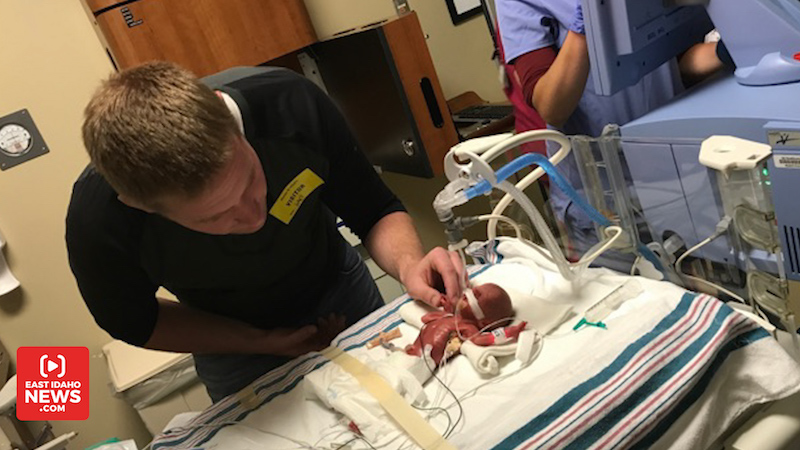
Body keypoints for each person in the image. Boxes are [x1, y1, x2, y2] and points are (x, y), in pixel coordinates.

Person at [66, 62, 466, 402]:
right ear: (142, 207)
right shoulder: (101, 223)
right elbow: (137, 322)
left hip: (338, 287)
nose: (253, 215)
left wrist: (409, 265)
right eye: (213, 217)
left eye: (251, 180)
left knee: (411, 402)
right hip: (228, 338)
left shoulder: (291, 106)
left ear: (234, 126)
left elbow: (373, 209)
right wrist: (258, 342)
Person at [496, 0, 724, 269]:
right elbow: (551, 106)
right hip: (603, 196)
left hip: (680, 172)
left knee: (717, 294)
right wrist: (589, 22)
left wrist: (728, 51)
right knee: (628, 302)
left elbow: (673, 61)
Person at [405, 283, 527, 366]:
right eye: (473, 291)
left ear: (484, 322)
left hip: (421, 362)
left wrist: (508, 333)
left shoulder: (468, 328)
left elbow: (482, 339)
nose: (467, 294)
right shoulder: (451, 317)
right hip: (409, 350)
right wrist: (446, 308)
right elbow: (426, 318)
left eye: (476, 296)